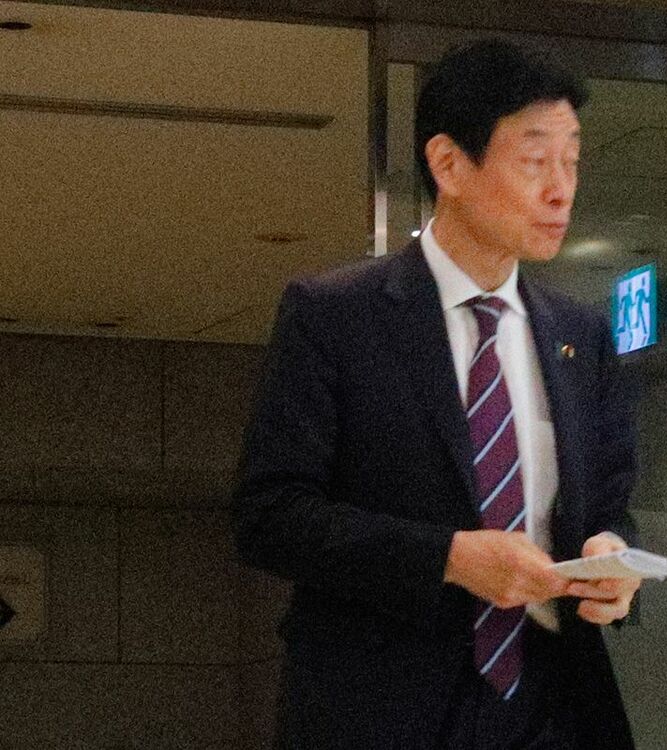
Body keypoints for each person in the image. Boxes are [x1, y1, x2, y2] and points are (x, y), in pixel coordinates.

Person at [232, 40, 641, 750]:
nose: (561, 189)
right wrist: (449, 557)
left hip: (551, 704)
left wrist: (614, 559)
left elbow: (608, 504)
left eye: (572, 161)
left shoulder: (580, 336)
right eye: (535, 161)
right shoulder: (336, 316)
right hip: (381, 708)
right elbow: (270, 516)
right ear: (449, 164)